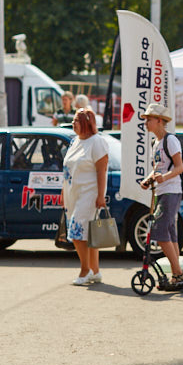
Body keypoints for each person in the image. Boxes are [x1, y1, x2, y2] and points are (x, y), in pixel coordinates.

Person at [140, 103, 183, 283]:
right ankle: (177, 273)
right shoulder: (155, 143)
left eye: (148, 119)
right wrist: (148, 179)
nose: (146, 123)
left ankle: (178, 272)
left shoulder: (170, 140)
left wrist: (164, 178)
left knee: (159, 232)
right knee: (169, 232)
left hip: (171, 191)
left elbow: (179, 167)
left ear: (159, 121)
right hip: (162, 191)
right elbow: (157, 168)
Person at [63, 108, 109, 286]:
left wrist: (100, 195)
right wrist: (62, 192)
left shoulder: (97, 142)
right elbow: (67, 170)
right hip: (72, 193)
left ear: (86, 122)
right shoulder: (74, 141)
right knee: (88, 233)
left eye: (76, 120)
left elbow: (102, 170)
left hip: (89, 194)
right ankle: (95, 271)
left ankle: (85, 270)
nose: (73, 123)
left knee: (76, 232)